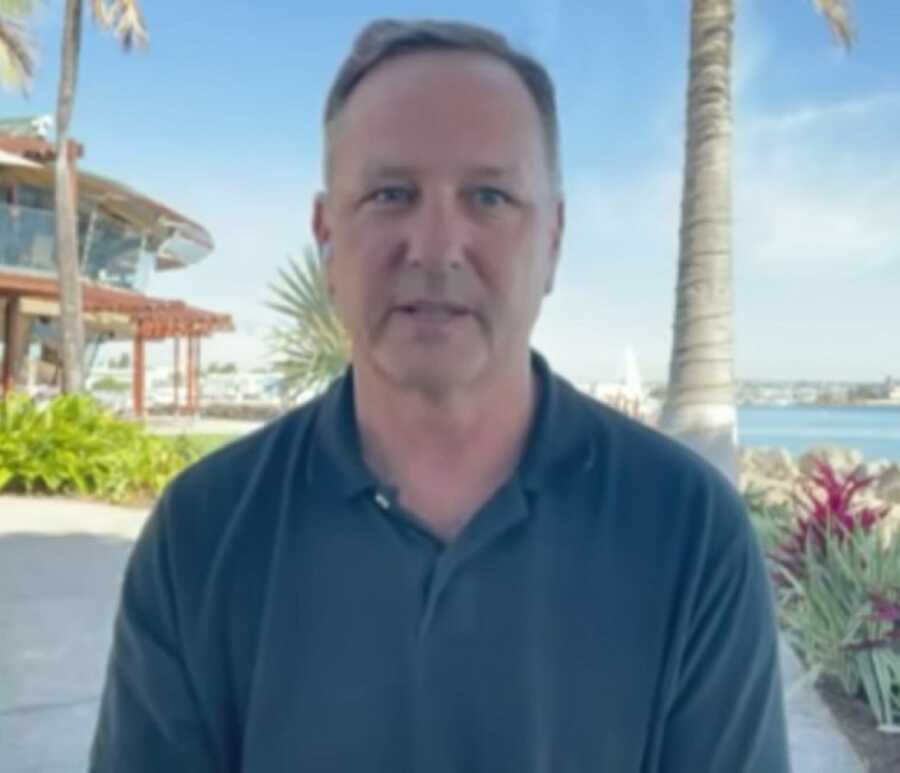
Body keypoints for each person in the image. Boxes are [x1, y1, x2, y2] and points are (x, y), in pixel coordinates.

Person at [90, 19, 790, 772]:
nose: (434, 246)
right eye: (391, 194)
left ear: (551, 238)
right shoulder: (202, 532)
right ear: (326, 236)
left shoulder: (689, 533)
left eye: (488, 196)